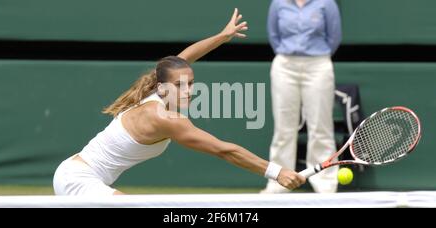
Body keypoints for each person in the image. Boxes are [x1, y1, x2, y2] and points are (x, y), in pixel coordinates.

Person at [53, 8, 306, 196]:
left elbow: (182, 60)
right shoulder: (165, 118)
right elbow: (223, 150)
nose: (187, 91)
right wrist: (277, 172)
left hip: (79, 174)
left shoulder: (158, 88)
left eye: (191, 83)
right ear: (163, 86)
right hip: (77, 178)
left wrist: (223, 36)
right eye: (179, 86)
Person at [261, 0, 342, 194]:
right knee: (283, 128)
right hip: (285, 65)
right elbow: (274, 36)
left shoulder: (327, 3)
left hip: (318, 65)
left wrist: (314, 57)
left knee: (321, 127)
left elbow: (334, 37)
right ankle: (278, 183)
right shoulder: (278, 4)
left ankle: (325, 185)